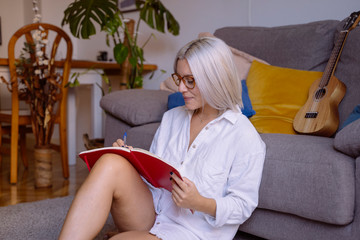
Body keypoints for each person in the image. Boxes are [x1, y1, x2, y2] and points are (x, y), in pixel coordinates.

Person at [59, 37, 266, 240]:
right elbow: (155, 180)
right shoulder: (172, 118)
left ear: (215, 78)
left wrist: (199, 202)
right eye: (179, 79)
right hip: (153, 214)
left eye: (190, 81)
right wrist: (133, 162)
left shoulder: (244, 136)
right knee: (110, 162)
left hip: (190, 232)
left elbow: (242, 206)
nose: (181, 89)